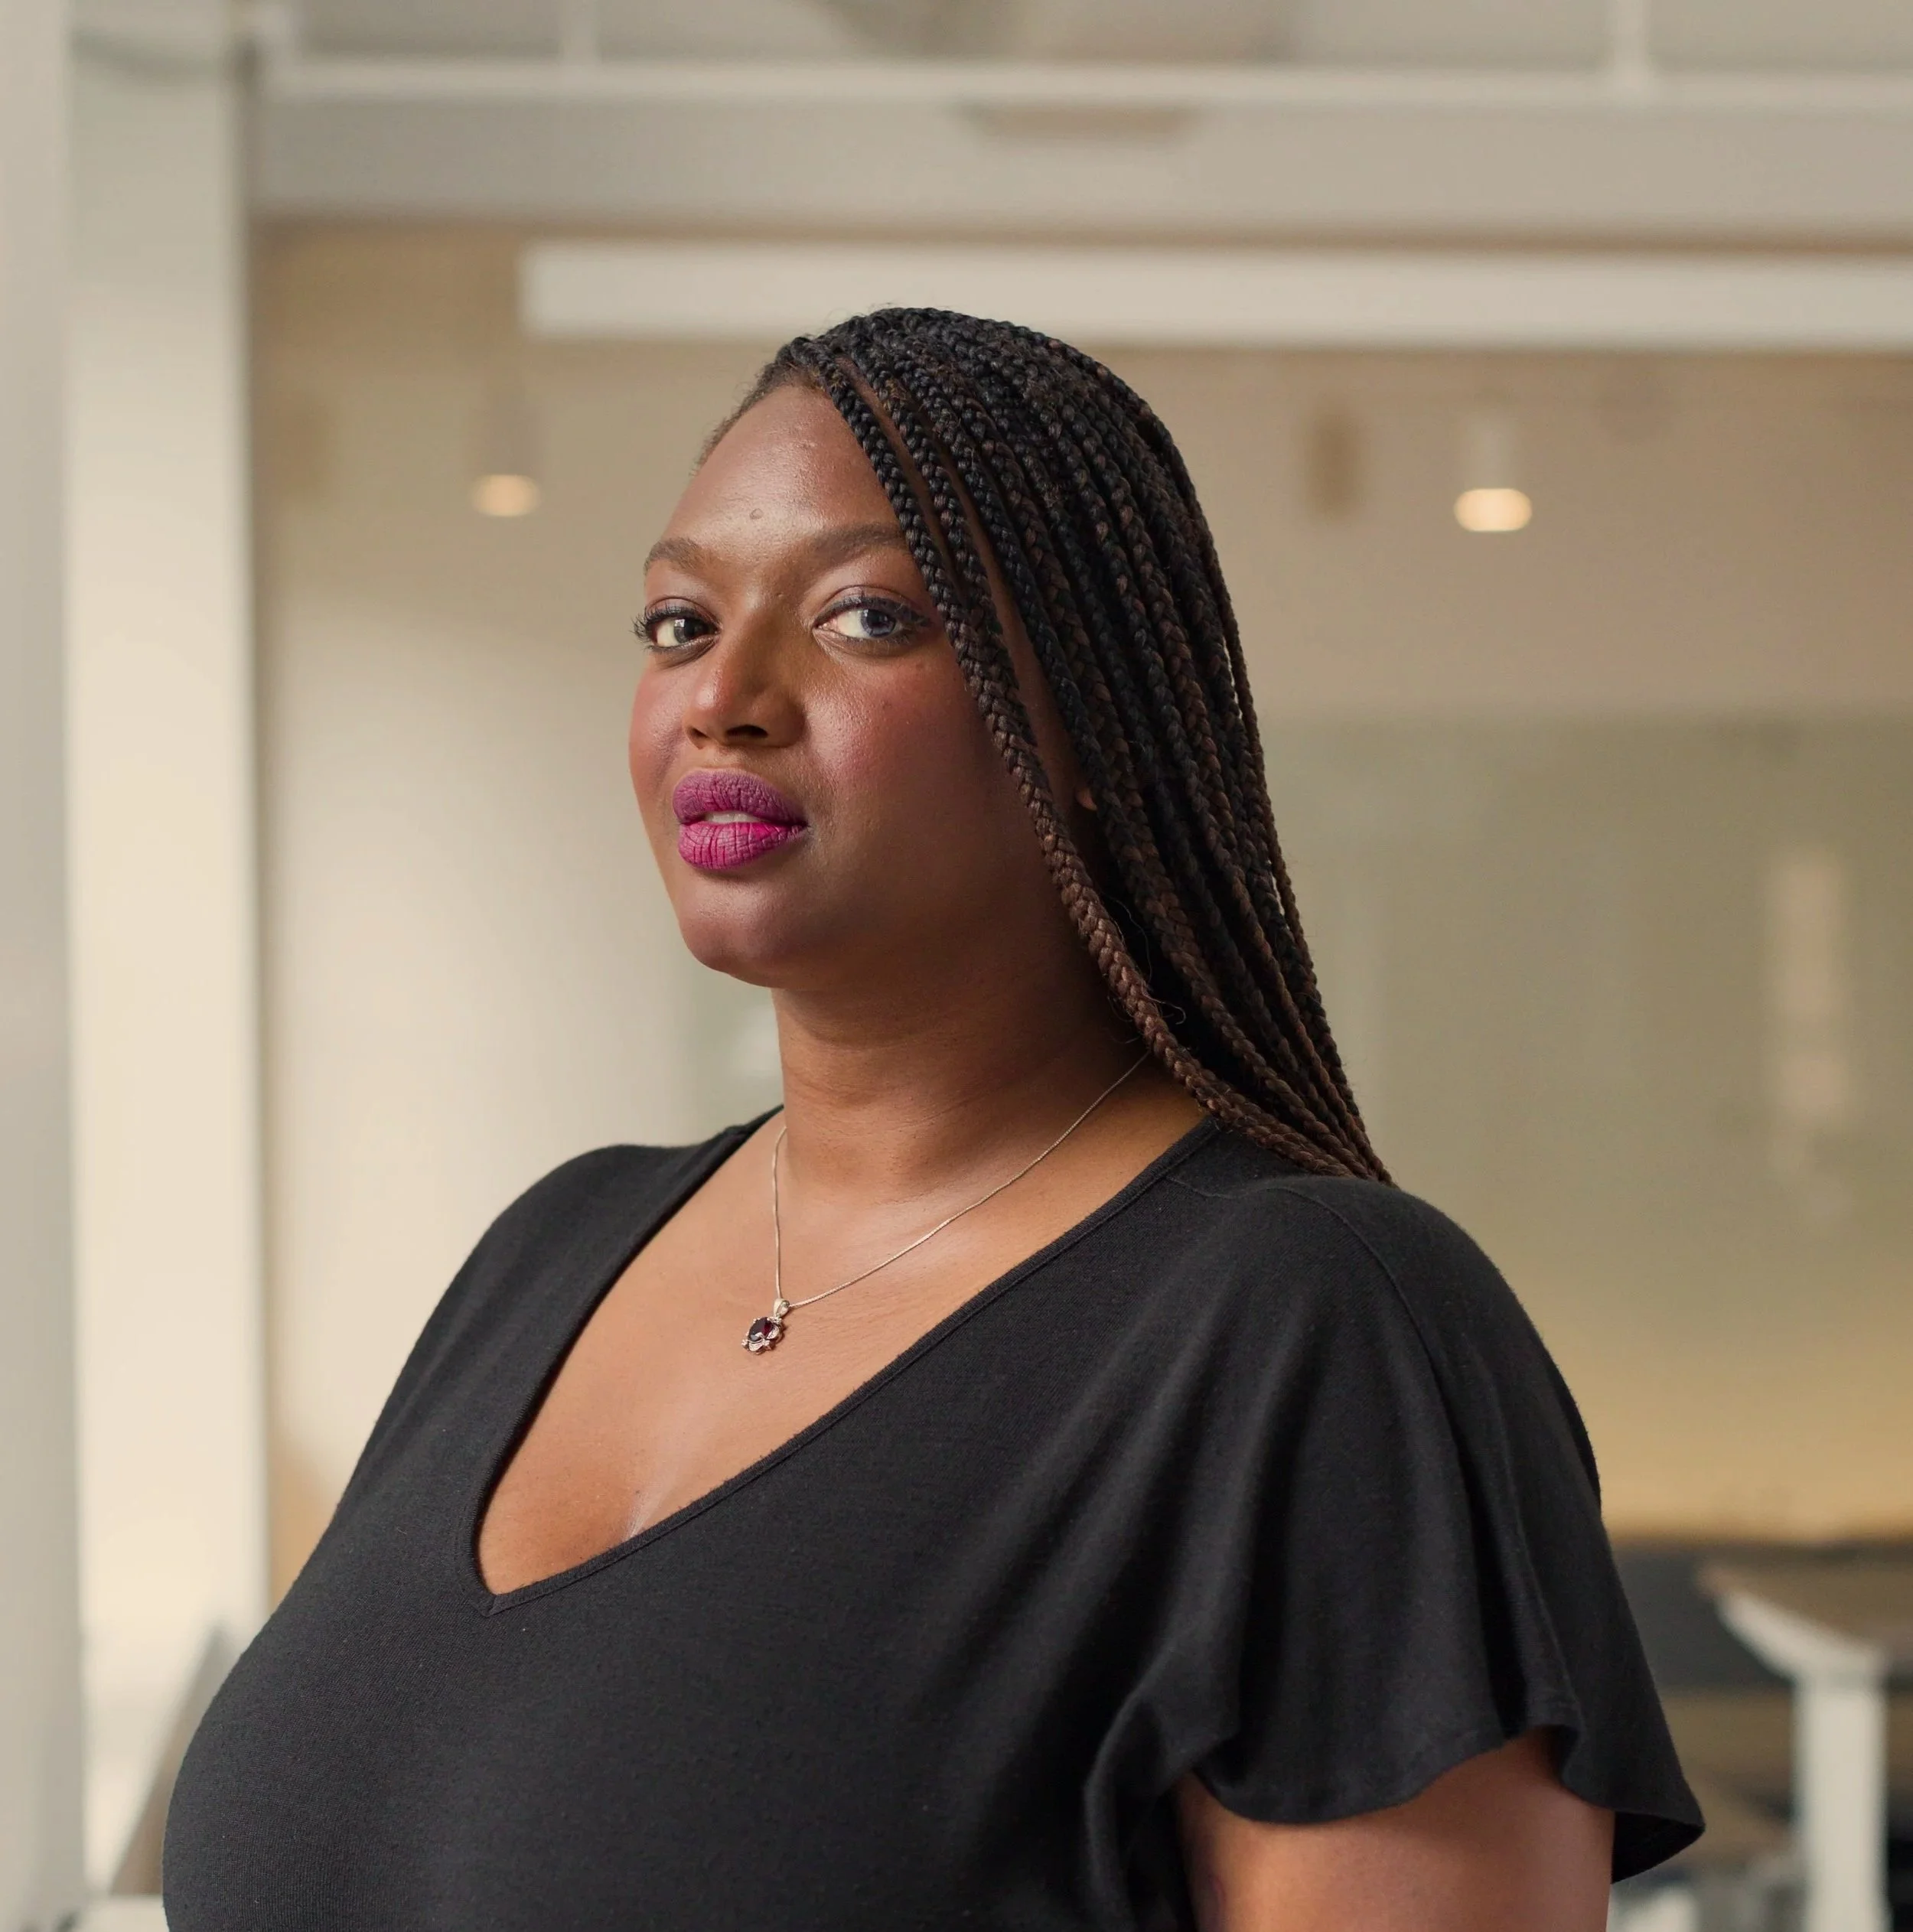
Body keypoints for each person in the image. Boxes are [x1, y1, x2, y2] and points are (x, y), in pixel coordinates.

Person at [164, 308, 1701, 1930]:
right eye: (679, 621)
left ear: (1093, 729)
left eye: (864, 615)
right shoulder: (547, 1251)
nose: (726, 698)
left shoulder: (1311, 1332)